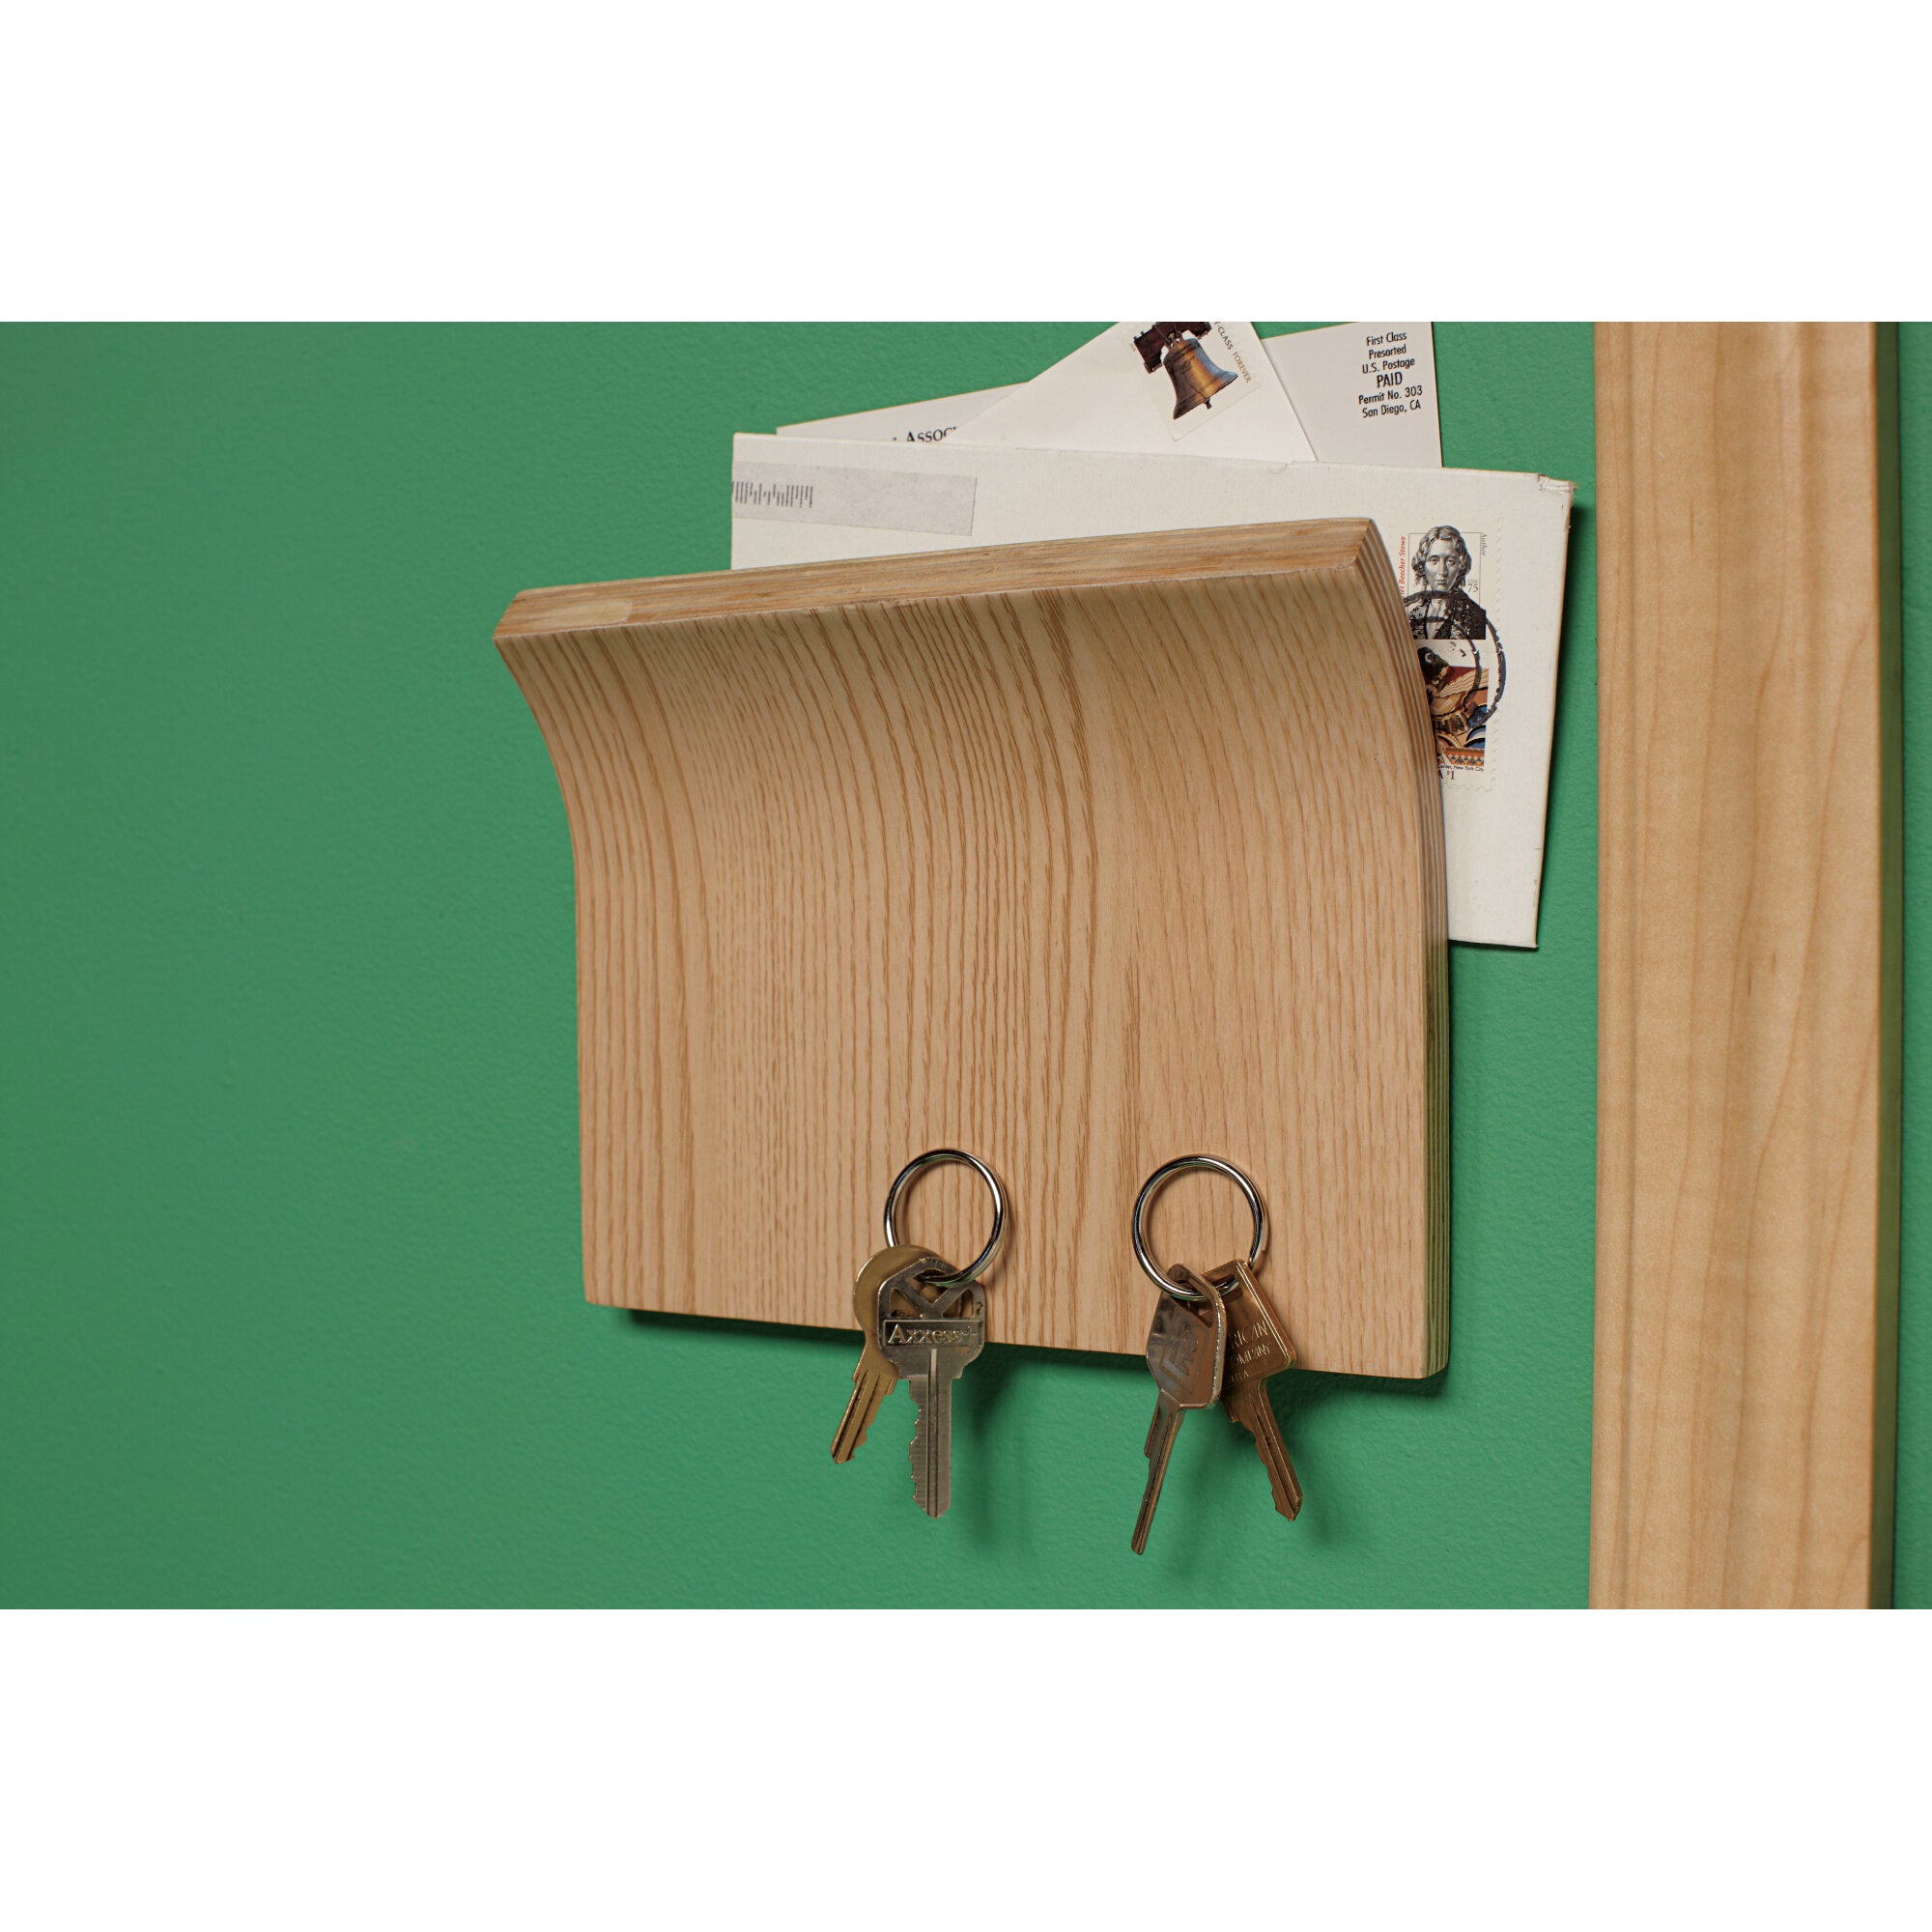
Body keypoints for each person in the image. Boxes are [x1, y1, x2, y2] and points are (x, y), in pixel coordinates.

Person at [1404, 526, 1505, 770]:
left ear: (1461, 565)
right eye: (1434, 560)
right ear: (1422, 564)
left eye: (1450, 561)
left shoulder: (1474, 617)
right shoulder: (1408, 612)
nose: (1442, 571)